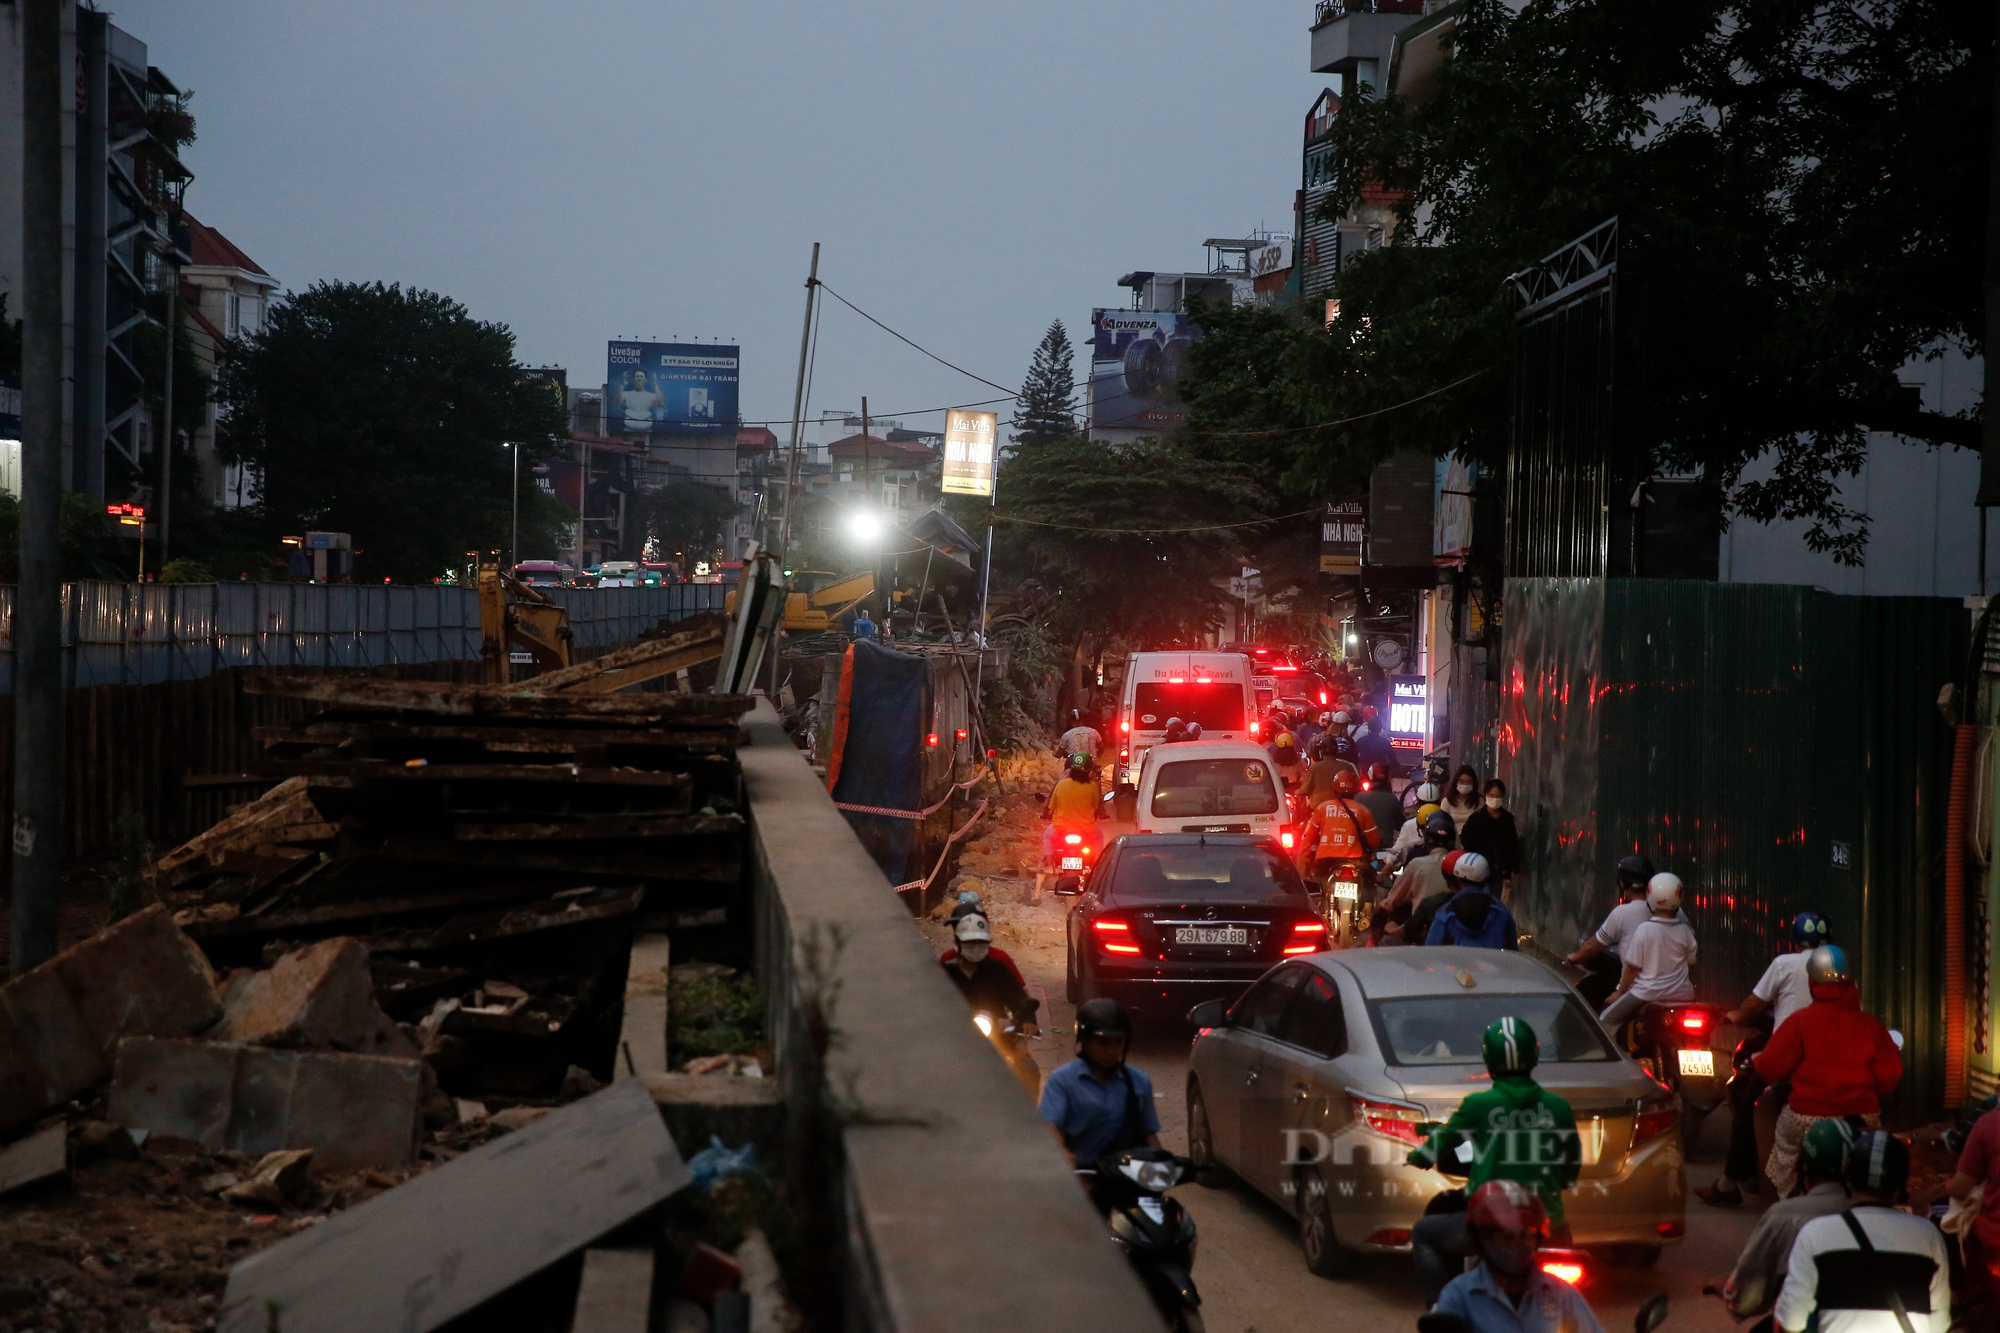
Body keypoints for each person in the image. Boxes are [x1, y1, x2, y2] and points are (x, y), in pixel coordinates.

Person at [1408, 1019, 1583, 1308]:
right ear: (1535, 1056)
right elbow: (1571, 1167)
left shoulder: (1478, 1105)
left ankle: (1441, 1313)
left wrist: (1419, 1156)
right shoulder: (1559, 1107)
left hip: (1491, 1233)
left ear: (1489, 1059)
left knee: (1423, 1233)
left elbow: (1441, 1144)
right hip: (1551, 1229)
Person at [1698, 909, 1835, 1207]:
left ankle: (1729, 1182)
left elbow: (1754, 1004)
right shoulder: (1839, 971)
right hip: (1830, 1060)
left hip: (1786, 1056)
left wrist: (1736, 1015)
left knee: (1747, 1101)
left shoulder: (1785, 964)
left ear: (1795, 940)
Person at [1755, 945, 1902, 1198]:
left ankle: (1785, 1197)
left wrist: (1760, 1060)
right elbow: (1890, 1077)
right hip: (1862, 1116)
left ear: (1812, 980)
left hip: (1807, 1115)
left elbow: (1770, 1067)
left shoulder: (1801, 1021)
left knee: (1786, 1144)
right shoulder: (1871, 1025)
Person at [1774, 1130, 1949, 1333]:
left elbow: (1790, 1322)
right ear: (1900, 1188)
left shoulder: (1815, 1234)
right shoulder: (1928, 1236)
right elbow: (1939, 1325)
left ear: (1847, 1181)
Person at [1717, 1119, 1856, 1321]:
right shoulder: (1892, 1222)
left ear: (1804, 1166)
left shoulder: (1783, 1216)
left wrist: (1726, 1289)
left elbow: (1747, 1298)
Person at [1432, 1181, 1607, 1333]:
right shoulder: (1459, 1295)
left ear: (1536, 1240)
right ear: (1482, 1241)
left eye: (1524, 1235)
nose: (1516, 1245)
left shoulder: (1562, 1295)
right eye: (1506, 1237)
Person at [1039, 997, 1162, 1168]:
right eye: (1102, 1043)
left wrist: (1162, 1164)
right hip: (1080, 1175)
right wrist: (1065, 1157)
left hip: (1126, 1176)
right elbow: (1050, 1126)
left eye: (1118, 1042)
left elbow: (1149, 1133)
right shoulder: (1062, 1080)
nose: (1111, 1050)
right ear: (1085, 1042)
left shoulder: (1139, 1082)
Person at [1598, 873, 1699, 1028]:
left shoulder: (1645, 930)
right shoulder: (1685, 931)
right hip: (1683, 995)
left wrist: (1619, 992)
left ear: (1650, 897)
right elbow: (1692, 961)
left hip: (1646, 994)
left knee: (1604, 1021)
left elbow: (1632, 968)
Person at [1948, 1087, 2000, 1319]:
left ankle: (1955, 1297)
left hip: (1992, 1238)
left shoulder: (1989, 1124)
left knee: (1943, 1213)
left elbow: (1959, 1189)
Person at [939, 914, 1039, 1034]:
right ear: (959, 944)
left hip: (997, 1035)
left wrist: (1027, 1019)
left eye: (981, 943)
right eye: (970, 943)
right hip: (953, 1036)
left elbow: (1017, 997)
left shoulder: (998, 971)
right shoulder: (944, 974)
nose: (976, 948)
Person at [1563, 854, 1657, 966]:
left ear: (1622, 884)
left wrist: (1575, 957)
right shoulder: (1676, 913)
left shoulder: (1622, 913)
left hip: (1636, 982)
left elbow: (1592, 945)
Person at [1383, 811, 1457, 945]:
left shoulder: (1418, 864)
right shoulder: (1461, 864)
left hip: (1423, 933)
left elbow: (1393, 902)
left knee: (1386, 941)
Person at [1036, 753, 1103, 897]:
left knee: (1048, 836)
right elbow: (1096, 807)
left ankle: (1049, 865)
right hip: (1087, 830)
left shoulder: (1061, 784)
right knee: (1099, 837)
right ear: (1089, 770)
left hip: (1061, 828)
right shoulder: (1093, 787)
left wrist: (1046, 813)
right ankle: (1097, 867)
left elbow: (1052, 806)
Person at [1300, 769, 1381, 881]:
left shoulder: (1322, 808)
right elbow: (1374, 841)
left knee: (1319, 891)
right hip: (1355, 861)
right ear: (1355, 789)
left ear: (1334, 788)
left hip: (1325, 861)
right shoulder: (1364, 811)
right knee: (1370, 883)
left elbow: (1308, 838)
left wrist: (1301, 868)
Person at [1426, 852, 1517, 949]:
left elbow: (1431, 951)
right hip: (1492, 963)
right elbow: (1512, 952)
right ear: (1485, 879)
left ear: (1458, 879)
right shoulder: (1501, 912)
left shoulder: (1445, 913)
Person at [1459, 780, 1523, 892]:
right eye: (1492, 795)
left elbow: (1513, 845)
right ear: (1485, 795)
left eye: (1498, 796)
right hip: (1477, 870)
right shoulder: (1476, 819)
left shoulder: (1507, 819)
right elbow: (1466, 840)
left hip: (1497, 873)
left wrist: (1511, 870)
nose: (1495, 799)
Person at [1356, 762, 1405, 845]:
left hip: (1363, 845)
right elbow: (1401, 825)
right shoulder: (1392, 799)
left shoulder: (1359, 797)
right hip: (1384, 845)